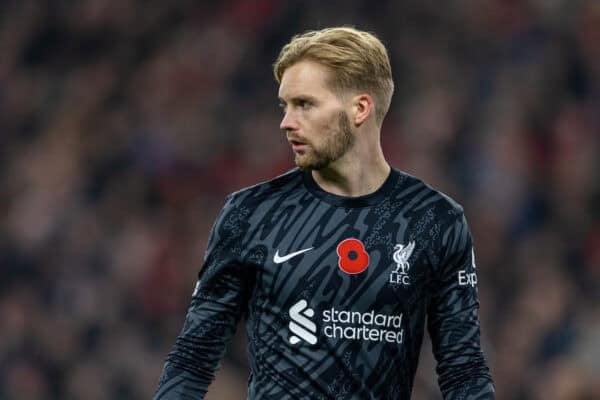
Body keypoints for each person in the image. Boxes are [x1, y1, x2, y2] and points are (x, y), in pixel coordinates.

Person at [154, 26, 495, 399]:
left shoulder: (434, 220)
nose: (286, 122)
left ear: (360, 108)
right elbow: (193, 358)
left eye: (305, 104)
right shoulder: (252, 214)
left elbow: (463, 370)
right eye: (285, 106)